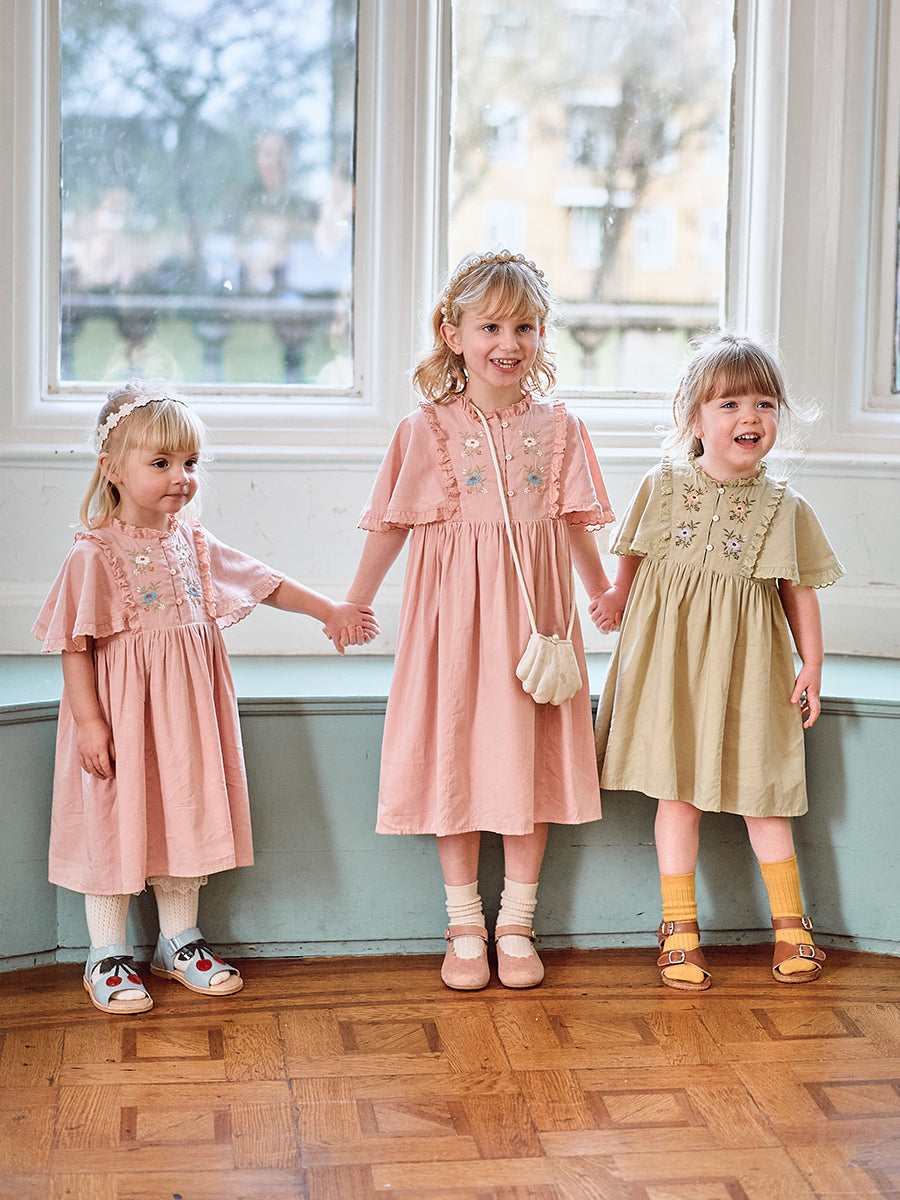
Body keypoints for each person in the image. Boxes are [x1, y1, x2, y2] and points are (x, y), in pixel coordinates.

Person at [33, 382, 378, 1014]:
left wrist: (329, 609)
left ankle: (179, 940)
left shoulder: (191, 542)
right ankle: (106, 952)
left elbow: (264, 582)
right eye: (161, 463)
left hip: (186, 719)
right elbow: (74, 645)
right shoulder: (94, 554)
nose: (181, 477)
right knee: (113, 822)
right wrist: (89, 723)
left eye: (190, 462)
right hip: (121, 719)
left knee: (183, 813)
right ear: (112, 468)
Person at [344, 250, 615, 990]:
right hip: (453, 625)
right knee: (455, 756)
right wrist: (357, 600)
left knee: (532, 759)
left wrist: (602, 591)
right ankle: (464, 923)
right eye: (490, 326)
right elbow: (392, 525)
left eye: (524, 327)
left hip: (535, 623)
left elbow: (573, 522)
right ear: (453, 333)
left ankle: (517, 922)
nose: (508, 342)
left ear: (542, 336)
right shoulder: (424, 430)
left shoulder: (560, 429)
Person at [592, 333, 843, 990]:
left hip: (750, 672)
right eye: (730, 403)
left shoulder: (785, 507)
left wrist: (812, 663)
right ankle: (678, 930)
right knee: (678, 797)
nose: (749, 417)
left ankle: (791, 925)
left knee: (766, 794)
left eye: (764, 404)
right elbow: (632, 553)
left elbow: (799, 591)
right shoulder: (661, 486)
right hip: (671, 669)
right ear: (695, 418)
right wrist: (616, 595)